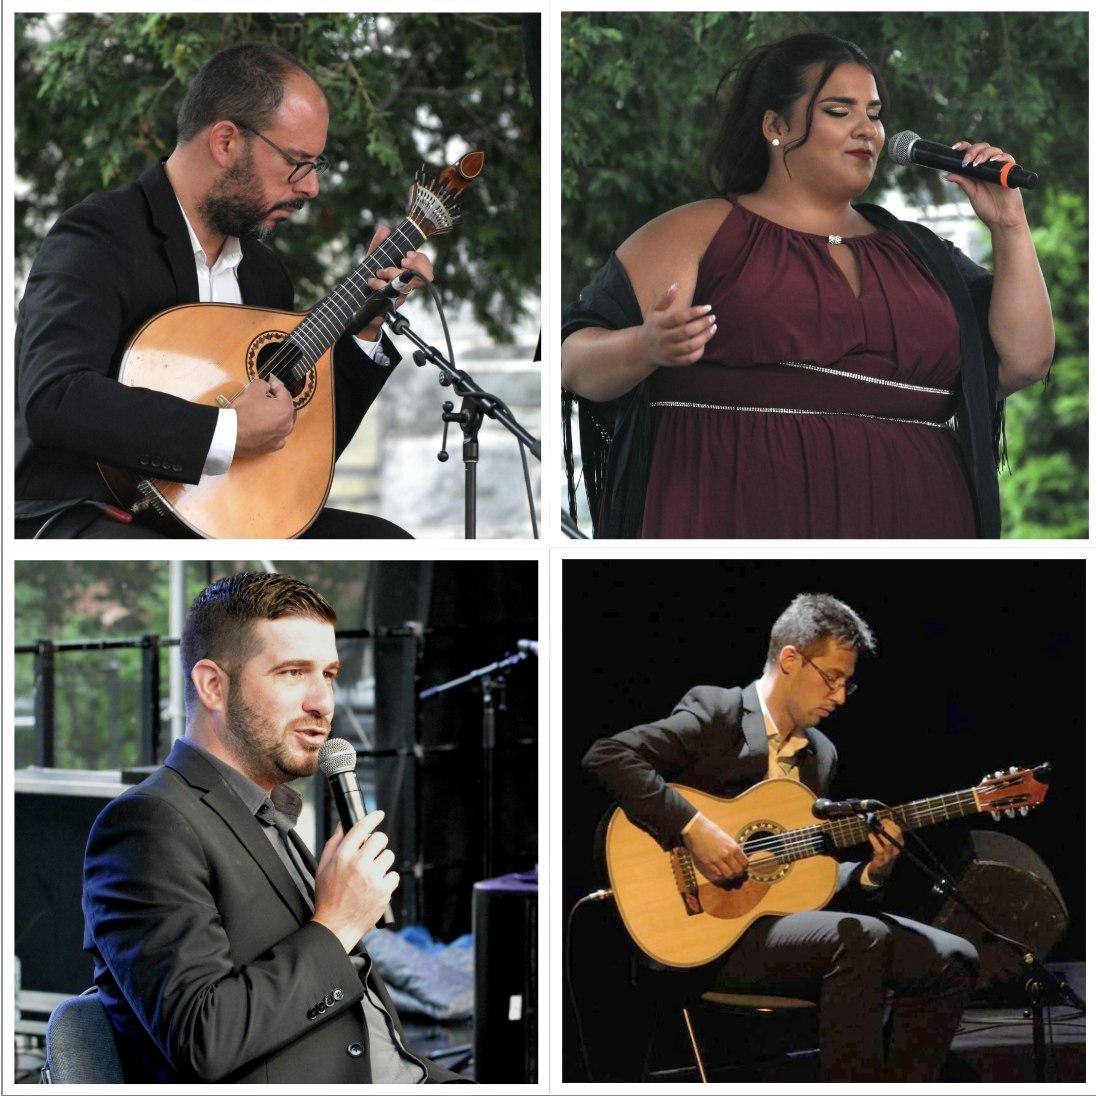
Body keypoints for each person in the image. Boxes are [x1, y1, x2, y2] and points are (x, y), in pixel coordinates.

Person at [562, 32, 1054, 538]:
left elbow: (1024, 362)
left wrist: (1009, 227)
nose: (868, 129)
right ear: (775, 126)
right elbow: (573, 361)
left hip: (919, 517)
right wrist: (645, 345)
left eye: (875, 113)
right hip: (732, 510)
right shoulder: (697, 230)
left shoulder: (921, 252)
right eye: (840, 111)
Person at [15, 42, 433, 539]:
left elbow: (291, 449)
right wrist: (226, 431)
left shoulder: (263, 274)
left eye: (315, 166)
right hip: (92, 509)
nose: (311, 188)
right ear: (226, 142)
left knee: (386, 541)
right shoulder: (97, 238)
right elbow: (54, 399)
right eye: (298, 163)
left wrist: (364, 330)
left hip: (223, 510)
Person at [82, 571, 468, 1082]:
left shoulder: (268, 815)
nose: (323, 702)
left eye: (328, 674)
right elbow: (204, 1039)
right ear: (213, 685)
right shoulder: (148, 825)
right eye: (292, 673)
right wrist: (338, 925)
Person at [582, 592, 979, 1082]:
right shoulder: (719, 712)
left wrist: (873, 874)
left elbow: (809, 878)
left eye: (847, 686)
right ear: (790, 659)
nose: (838, 696)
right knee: (861, 939)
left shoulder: (822, 754)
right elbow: (608, 756)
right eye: (833, 678)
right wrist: (696, 828)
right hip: (702, 934)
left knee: (954, 959)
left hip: (777, 929)